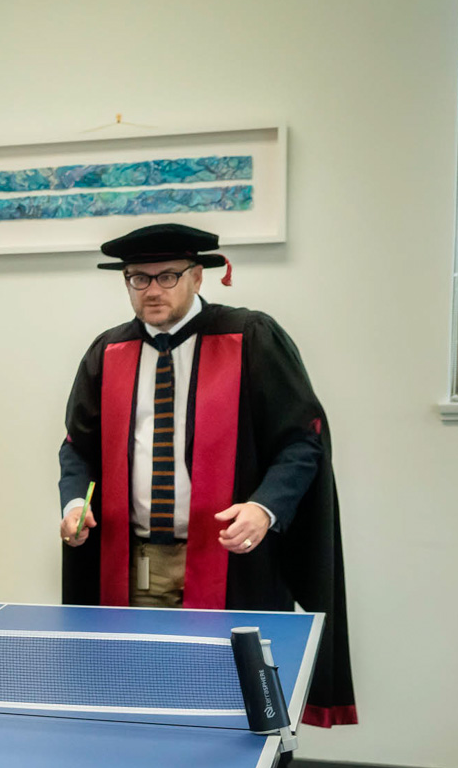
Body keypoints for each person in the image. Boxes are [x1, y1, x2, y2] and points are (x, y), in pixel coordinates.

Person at [55, 222, 354, 731]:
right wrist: (72, 504)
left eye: (167, 276)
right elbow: (75, 448)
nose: (152, 290)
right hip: (135, 565)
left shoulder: (250, 338)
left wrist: (264, 507)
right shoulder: (108, 352)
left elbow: (303, 440)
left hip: (232, 567)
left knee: (233, 711)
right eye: (137, 279)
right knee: (133, 695)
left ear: (198, 277)